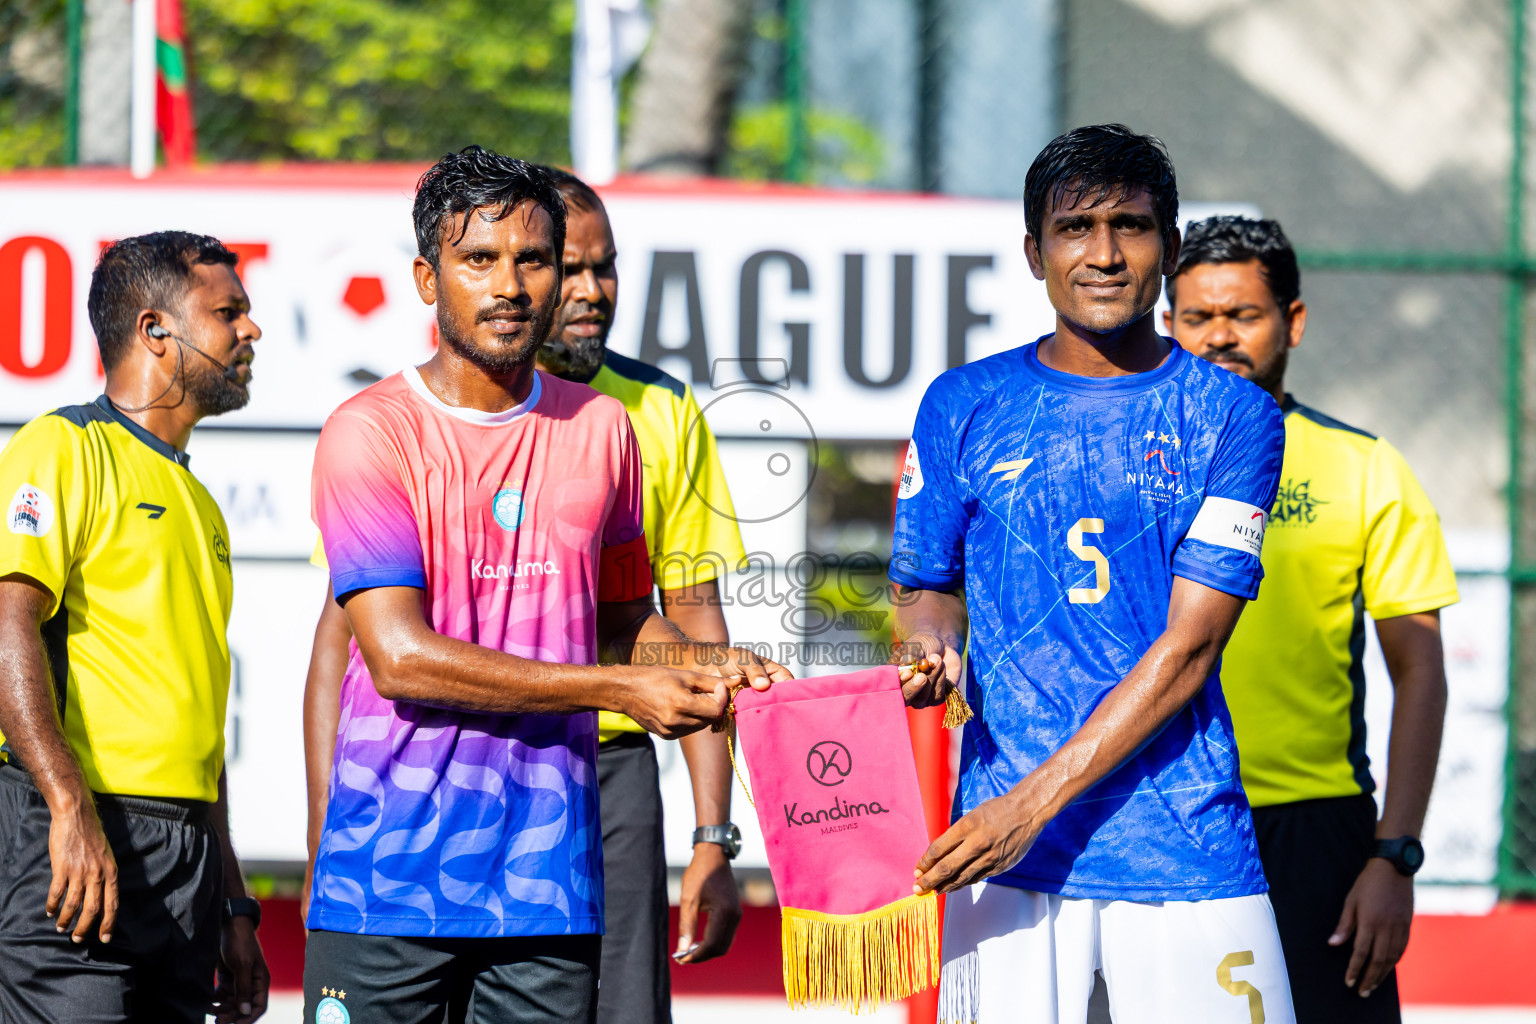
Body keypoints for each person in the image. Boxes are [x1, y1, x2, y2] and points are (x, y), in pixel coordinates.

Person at [300, 147, 787, 1024]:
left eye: (533, 259)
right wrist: (619, 688)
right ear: (426, 277)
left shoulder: (605, 430)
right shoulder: (368, 433)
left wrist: (728, 673)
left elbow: (625, 623)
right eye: (478, 259)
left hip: (549, 885)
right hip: (387, 877)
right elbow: (400, 660)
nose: (510, 285)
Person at [890, 124, 1294, 1024]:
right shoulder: (961, 403)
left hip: (1182, 844)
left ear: (1171, 248)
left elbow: (1190, 650)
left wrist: (1029, 804)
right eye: (1076, 229)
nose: (1105, 254)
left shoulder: (1234, 415)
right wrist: (931, 651)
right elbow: (924, 587)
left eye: (1132, 226)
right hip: (999, 857)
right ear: (1035, 253)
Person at [1165, 215, 1455, 1022]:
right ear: (1168, 324)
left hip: (1314, 833)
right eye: (1198, 317)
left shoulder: (1366, 469)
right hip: (1156, 819)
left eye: (1244, 315)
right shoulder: (1126, 467)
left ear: (1292, 320)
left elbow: (1420, 671)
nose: (1220, 335)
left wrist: (1393, 858)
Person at [0, 232, 269, 1024]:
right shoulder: (65, 446)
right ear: (156, 330)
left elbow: (199, 736)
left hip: (185, 863)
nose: (250, 331)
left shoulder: (201, 504)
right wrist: (67, 804)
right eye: (229, 313)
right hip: (80, 836)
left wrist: (233, 902)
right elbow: (7, 626)